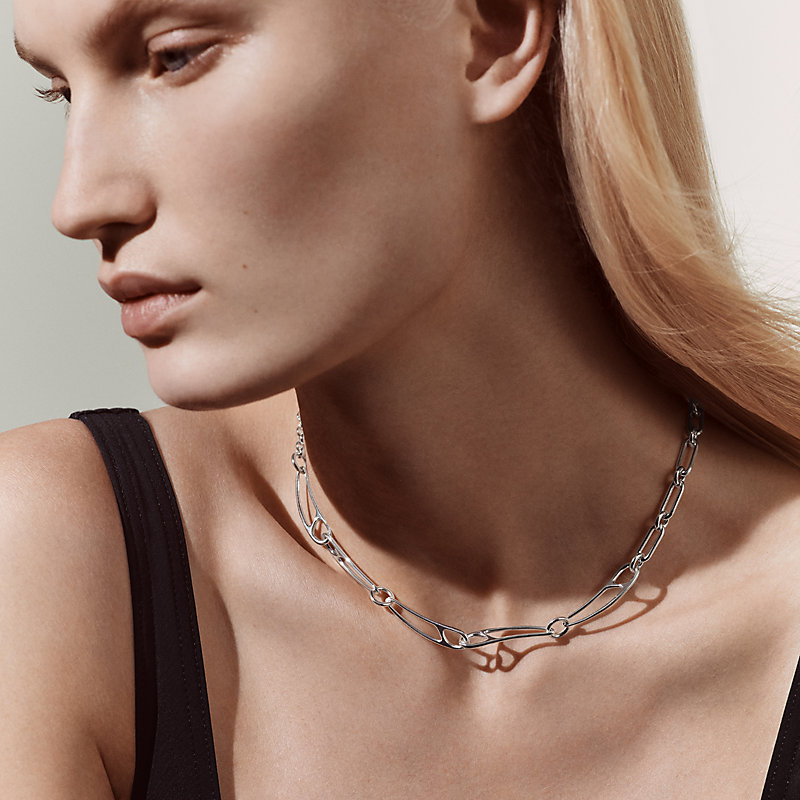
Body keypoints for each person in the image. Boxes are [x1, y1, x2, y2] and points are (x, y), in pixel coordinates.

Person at [3, 0, 800, 797]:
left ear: (492, 30)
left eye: (175, 57)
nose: (79, 203)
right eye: (61, 90)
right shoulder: (55, 558)